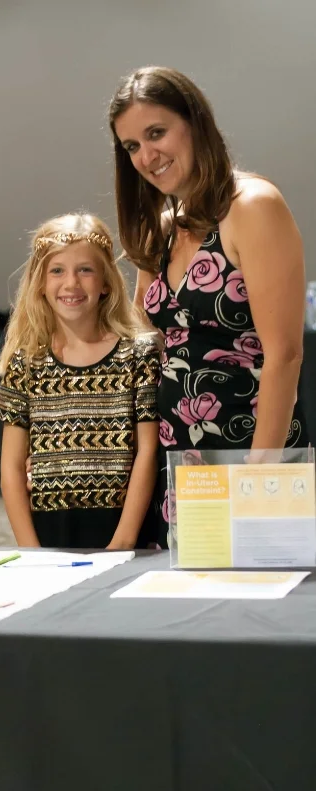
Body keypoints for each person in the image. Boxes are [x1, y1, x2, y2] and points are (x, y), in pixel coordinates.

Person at [108, 66, 308, 547]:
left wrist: (262, 473)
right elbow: (146, 341)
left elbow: (285, 354)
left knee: (261, 609)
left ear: (195, 123)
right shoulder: (159, 226)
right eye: (132, 146)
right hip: (181, 462)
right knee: (191, 606)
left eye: (156, 133)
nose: (146, 156)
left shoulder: (253, 206)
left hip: (252, 449)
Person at [0, 212, 160, 550]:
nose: (71, 284)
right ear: (40, 282)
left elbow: (148, 451)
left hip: (125, 533)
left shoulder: (139, 356)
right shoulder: (27, 363)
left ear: (106, 281)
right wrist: (30, 549)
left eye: (85, 270)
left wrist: (123, 541)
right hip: (50, 534)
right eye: (57, 271)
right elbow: (10, 466)